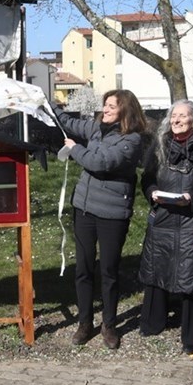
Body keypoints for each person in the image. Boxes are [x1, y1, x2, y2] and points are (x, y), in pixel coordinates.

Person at [53, 89, 147, 349]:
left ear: (125, 111)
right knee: (83, 269)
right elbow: (70, 123)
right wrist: (48, 106)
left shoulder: (132, 140)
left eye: (111, 106)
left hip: (112, 214)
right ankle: (85, 323)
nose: (105, 110)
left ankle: (109, 324)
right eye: (105, 105)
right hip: (84, 209)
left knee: (108, 271)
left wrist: (74, 148)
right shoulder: (96, 127)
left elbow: (100, 162)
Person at [138, 100, 193, 356]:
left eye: (182, 116)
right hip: (163, 218)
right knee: (156, 270)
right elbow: (146, 179)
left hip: (192, 222)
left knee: (192, 278)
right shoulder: (159, 147)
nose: (176, 120)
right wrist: (152, 192)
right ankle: (152, 322)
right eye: (173, 116)